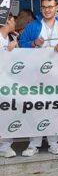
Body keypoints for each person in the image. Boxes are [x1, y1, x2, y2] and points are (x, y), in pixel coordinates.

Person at [19, 0, 58, 157]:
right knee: (35, 108)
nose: (47, 10)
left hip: (57, 76)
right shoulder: (32, 26)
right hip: (36, 75)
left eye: (50, 7)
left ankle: (53, 142)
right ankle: (33, 143)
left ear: (57, 8)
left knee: (55, 108)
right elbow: (21, 45)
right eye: (44, 7)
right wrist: (33, 43)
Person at [0, 15, 19, 158]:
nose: (15, 23)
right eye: (13, 21)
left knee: (7, 114)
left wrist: (15, 44)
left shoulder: (12, 39)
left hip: (8, 86)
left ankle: (5, 146)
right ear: (6, 21)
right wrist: (7, 51)